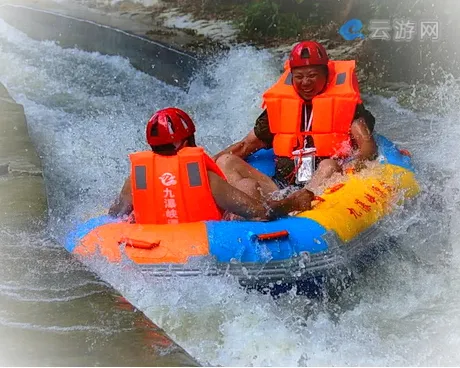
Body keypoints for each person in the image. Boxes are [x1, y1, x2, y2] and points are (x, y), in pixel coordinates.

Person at [214, 40, 377, 196]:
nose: (305, 82)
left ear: (326, 74)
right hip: (280, 188)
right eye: (299, 77)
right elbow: (245, 145)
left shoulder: (347, 107)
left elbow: (367, 146)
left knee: (329, 166)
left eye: (312, 75)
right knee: (226, 161)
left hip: (324, 183)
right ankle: (249, 206)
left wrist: (354, 164)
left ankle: (301, 203)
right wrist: (209, 162)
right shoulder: (279, 109)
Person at [108, 107, 314, 223]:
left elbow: (114, 217)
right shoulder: (203, 178)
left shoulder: (136, 179)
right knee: (248, 188)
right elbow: (260, 212)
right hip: (207, 248)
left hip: (155, 253)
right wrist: (293, 202)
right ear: (189, 139)